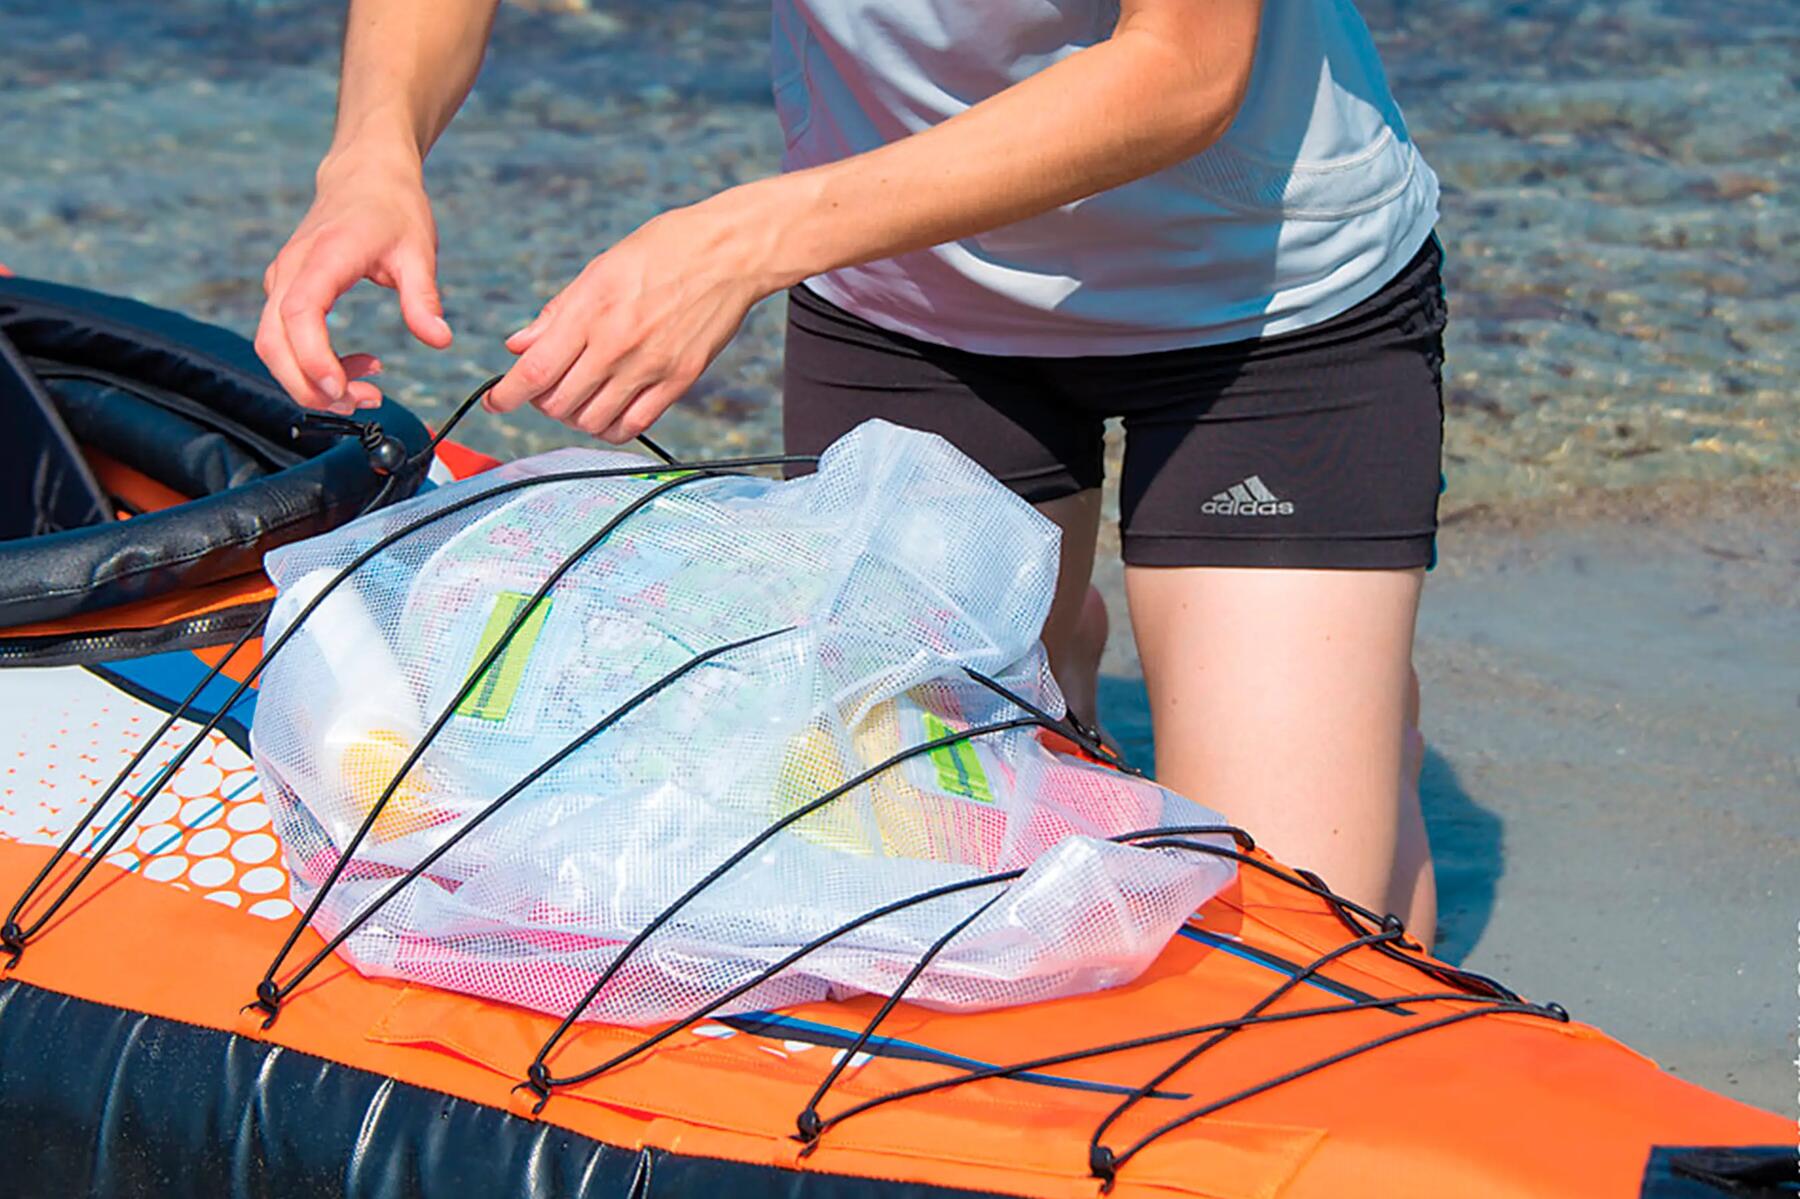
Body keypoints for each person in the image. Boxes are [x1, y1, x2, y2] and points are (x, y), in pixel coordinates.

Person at [258, 0, 1442, 943]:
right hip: (904, 287)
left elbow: (1183, 67)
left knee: (1285, 931)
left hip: (1267, 301)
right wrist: (372, 151)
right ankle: (1059, 629)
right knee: (893, 873)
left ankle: (1332, 689)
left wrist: (736, 244)